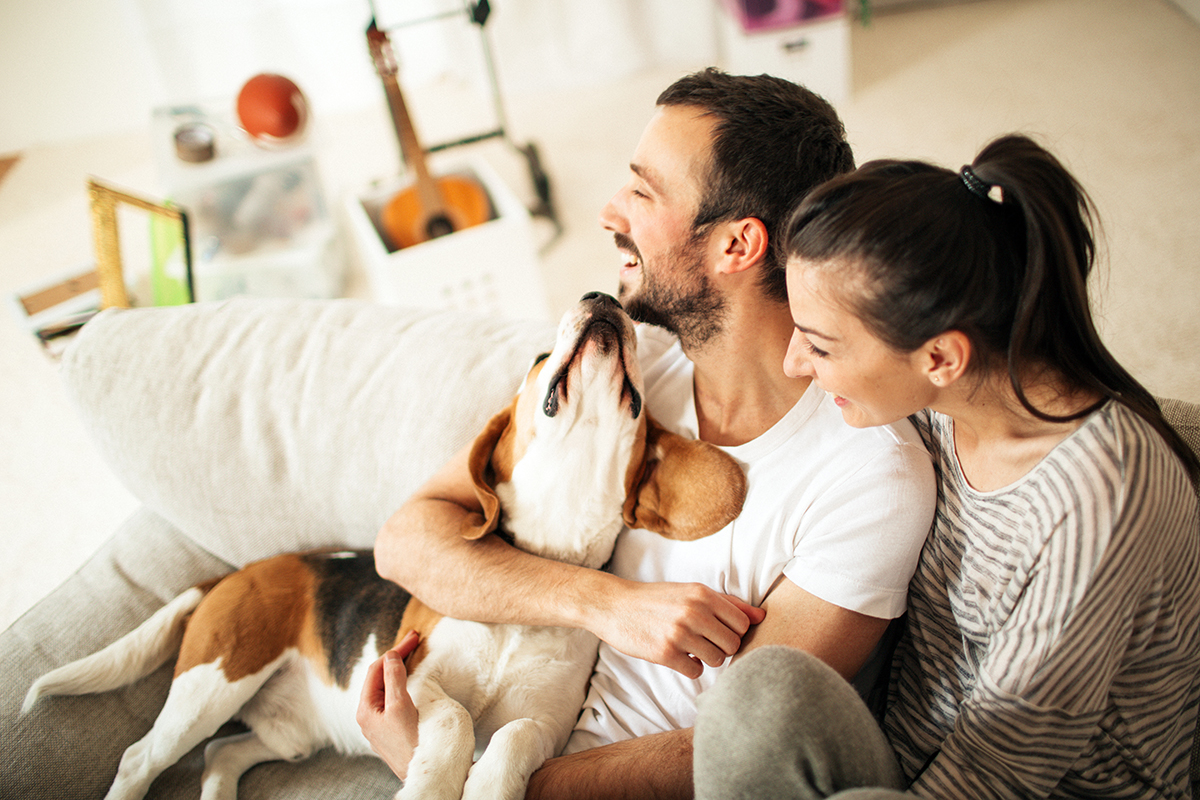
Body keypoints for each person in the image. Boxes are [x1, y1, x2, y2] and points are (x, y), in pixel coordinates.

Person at [356, 68, 937, 798]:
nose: (607, 210)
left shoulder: (870, 478)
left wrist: (459, 778)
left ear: (736, 246)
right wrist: (605, 604)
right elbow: (406, 539)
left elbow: (735, 745)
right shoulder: (631, 365)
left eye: (643, 191)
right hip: (502, 726)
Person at [693, 133, 1200, 798]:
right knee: (758, 692)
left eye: (818, 345)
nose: (796, 364)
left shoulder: (1099, 497)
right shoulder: (939, 402)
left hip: (1023, 785)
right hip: (909, 738)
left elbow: (1001, 773)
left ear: (939, 359)